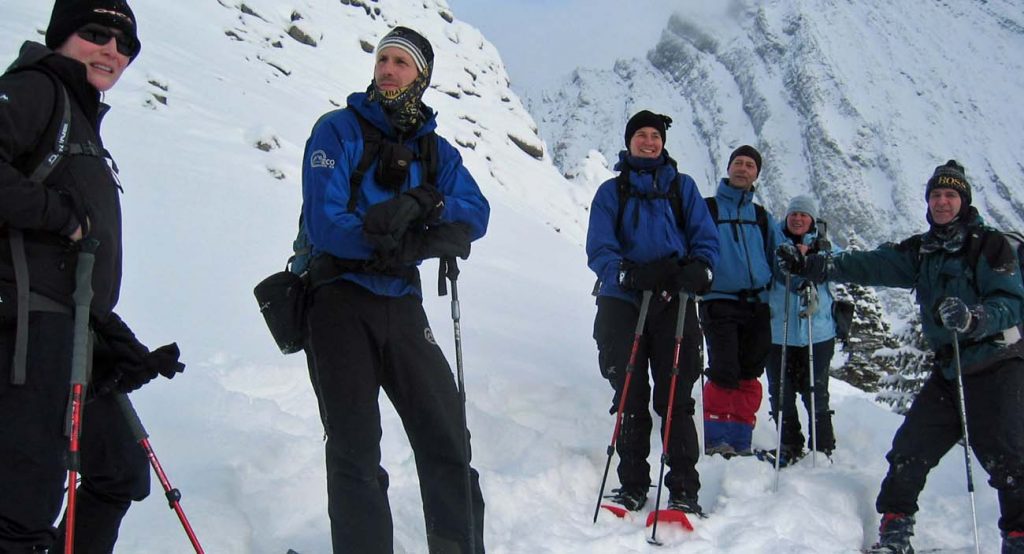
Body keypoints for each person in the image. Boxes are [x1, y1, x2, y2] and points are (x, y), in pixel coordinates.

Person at [0, 1, 185, 552]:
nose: (112, 49)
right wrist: (60, 216)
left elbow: (72, 253)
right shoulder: (37, 89)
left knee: (120, 472)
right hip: (26, 335)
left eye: (125, 43)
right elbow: (61, 229)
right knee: (23, 507)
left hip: (71, 332)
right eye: (95, 33)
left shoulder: (77, 115)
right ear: (61, 37)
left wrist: (108, 336)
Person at [301, 26, 488, 553]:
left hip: (402, 304)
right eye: (383, 59)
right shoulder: (337, 130)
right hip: (338, 299)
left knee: (448, 438)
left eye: (401, 63)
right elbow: (325, 223)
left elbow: (477, 211)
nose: (388, 69)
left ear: (421, 76)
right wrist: (406, 245)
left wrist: (427, 202)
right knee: (355, 451)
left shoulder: (436, 152)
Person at [778, 160, 1024, 554]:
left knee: (1010, 463)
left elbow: (1011, 303)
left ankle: (1017, 538)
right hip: (949, 369)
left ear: (964, 200)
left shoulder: (989, 245)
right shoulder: (923, 251)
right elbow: (871, 264)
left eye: (950, 195)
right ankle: (894, 533)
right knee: (909, 451)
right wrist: (816, 265)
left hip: (996, 366)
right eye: (936, 195)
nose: (942, 202)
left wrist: (973, 317)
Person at [586, 110, 719, 514]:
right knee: (629, 394)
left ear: (663, 142)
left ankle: (682, 487)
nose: (648, 141)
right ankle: (632, 484)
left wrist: (700, 269)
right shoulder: (611, 192)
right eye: (640, 135)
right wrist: (627, 274)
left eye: (654, 136)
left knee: (676, 396)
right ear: (629, 142)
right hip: (623, 301)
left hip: (674, 301)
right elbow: (599, 247)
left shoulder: (683, 188)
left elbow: (704, 238)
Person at [700, 145, 783, 457]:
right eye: (739, 162)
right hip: (718, 300)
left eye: (750, 165)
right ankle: (716, 437)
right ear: (729, 167)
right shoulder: (709, 209)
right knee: (724, 369)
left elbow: (779, 255)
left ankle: (739, 438)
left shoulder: (762, 217)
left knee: (749, 372)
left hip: (757, 304)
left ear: (756, 174)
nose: (743, 168)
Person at [765, 195, 839, 466]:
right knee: (781, 391)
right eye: (793, 214)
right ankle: (789, 444)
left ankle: (823, 446)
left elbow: (839, 266)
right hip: (778, 331)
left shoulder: (825, 247)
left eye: (803, 215)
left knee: (815, 390)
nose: (797, 218)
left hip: (816, 333)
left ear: (812, 220)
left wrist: (817, 257)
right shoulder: (774, 243)